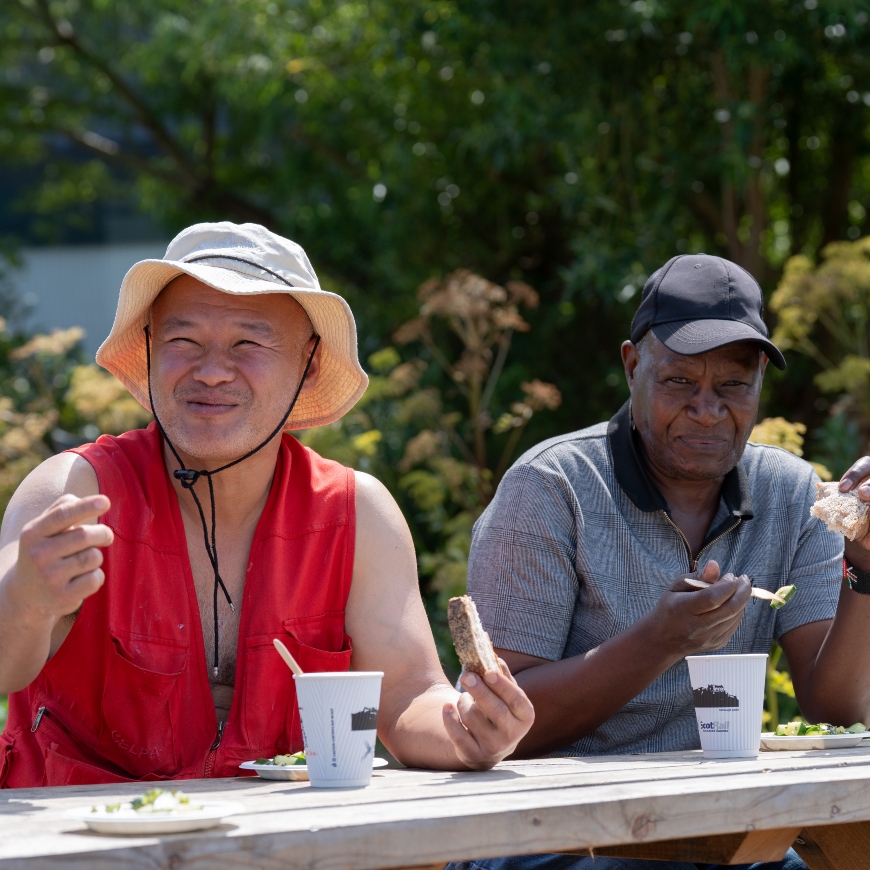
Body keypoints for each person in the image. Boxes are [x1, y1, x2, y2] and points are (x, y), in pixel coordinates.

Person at [0, 222, 533, 788]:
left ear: (307, 363)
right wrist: (26, 602)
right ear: (151, 345)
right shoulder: (76, 491)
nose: (210, 371)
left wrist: (468, 729)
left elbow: (407, 697)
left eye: (248, 343)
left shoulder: (356, 512)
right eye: (183, 340)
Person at [457, 254, 870, 870]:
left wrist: (863, 565)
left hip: (722, 834)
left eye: (733, 385)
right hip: (552, 833)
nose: (707, 410)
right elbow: (502, 726)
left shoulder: (791, 493)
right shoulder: (551, 488)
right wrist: (659, 641)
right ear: (632, 366)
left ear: (759, 380)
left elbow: (833, 710)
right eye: (679, 382)